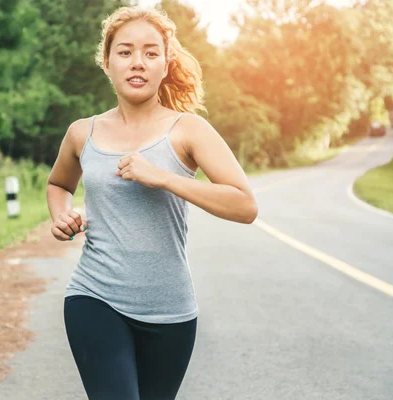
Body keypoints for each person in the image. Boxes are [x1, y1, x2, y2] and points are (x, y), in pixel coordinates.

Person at [46, 6, 258, 400]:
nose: (137, 62)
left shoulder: (189, 130)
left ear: (165, 63)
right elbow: (59, 183)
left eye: (150, 52)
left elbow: (244, 205)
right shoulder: (82, 133)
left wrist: (162, 176)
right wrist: (62, 214)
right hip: (95, 297)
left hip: (171, 310)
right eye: (124, 52)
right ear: (107, 63)